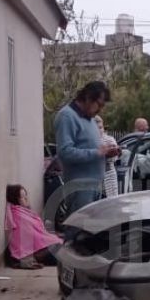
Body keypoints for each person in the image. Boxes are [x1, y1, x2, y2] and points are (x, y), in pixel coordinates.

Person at [53, 81, 119, 218]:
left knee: (90, 233)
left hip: (95, 185)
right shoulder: (67, 116)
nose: (100, 110)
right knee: (78, 230)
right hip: (80, 187)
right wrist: (97, 152)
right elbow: (65, 152)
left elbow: (90, 150)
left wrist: (106, 154)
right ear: (88, 98)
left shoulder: (90, 119)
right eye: (99, 105)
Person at [4, 185, 61, 269]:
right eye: (23, 197)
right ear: (15, 200)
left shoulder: (23, 212)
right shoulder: (19, 216)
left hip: (40, 249)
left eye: (26, 195)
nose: (26, 198)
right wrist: (50, 239)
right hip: (35, 253)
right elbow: (33, 236)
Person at [95, 116, 119, 197]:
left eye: (101, 127)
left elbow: (115, 158)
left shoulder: (110, 139)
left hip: (109, 174)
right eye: (96, 128)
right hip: (94, 176)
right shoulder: (89, 140)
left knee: (111, 199)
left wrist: (108, 153)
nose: (99, 130)